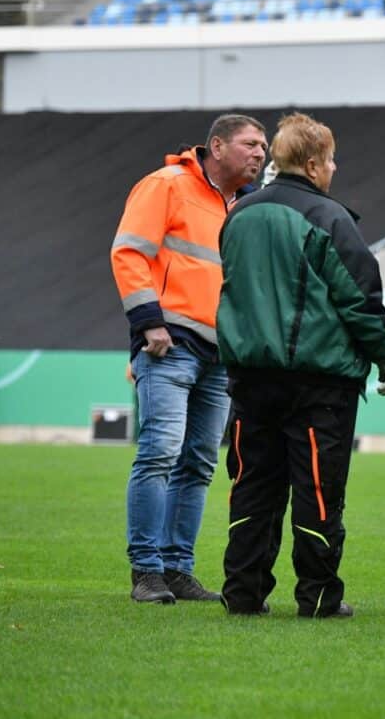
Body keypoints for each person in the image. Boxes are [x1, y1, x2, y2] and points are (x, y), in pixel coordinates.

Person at [216, 113, 385, 619]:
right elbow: (359, 298)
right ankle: (318, 596)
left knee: (252, 485)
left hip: (250, 379)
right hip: (319, 382)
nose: (335, 168)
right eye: (332, 159)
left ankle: (243, 594)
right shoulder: (330, 219)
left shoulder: (238, 215)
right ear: (315, 162)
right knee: (318, 490)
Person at [112, 114, 267, 604]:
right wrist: (148, 322)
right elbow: (128, 253)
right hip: (169, 345)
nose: (261, 153)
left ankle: (177, 569)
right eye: (251, 144)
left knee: (198, 462)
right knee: (160, 452)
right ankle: (147, 571)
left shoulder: (239, 206)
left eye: (264, 146)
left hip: (219, 356)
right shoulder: (166, 185)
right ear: (216, 146)